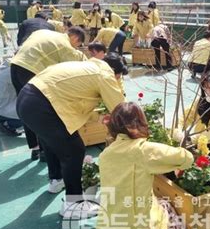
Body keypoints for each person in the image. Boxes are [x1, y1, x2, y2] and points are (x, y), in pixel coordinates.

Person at [16, 54, 127, 214]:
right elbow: (120, 108)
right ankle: (73, 204)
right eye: (119, 77)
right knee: (74, 150)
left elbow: (78, 102)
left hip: (26, 98)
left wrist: (99, 116)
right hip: (41, 104)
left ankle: (56, 180)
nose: (118, 81)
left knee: (51, 142)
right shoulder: (105, 74)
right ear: (115, 72)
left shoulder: (88, 67)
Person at [97, 102, 195, 229]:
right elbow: (186, 158)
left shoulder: (105, 154)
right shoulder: (142, 150)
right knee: (167, 208)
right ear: (139, 124)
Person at [10, 27, 87, 161]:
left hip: (15, 65)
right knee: (39, 112)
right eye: (78, 45)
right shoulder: (65, 46)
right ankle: (45, 151)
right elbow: (74, 67)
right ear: (75, 38)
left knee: (26, 109)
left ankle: (34, 148)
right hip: (31, 70)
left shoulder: (43, 32)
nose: (76, 47)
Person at [0, 60, 23, 136]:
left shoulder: (8, 69)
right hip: (1, 108)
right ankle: (8, 125)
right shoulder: (14, 72)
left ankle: (3, 120)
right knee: (31, 112)